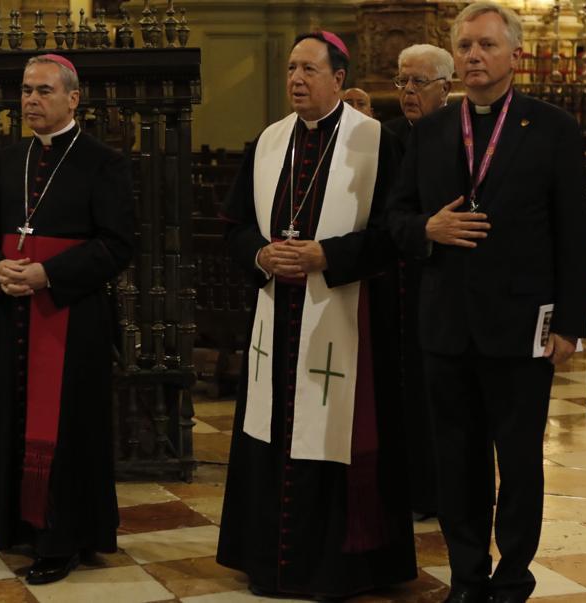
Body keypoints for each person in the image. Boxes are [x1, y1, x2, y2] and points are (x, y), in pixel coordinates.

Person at [387, 4, 586, 602]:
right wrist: (428, 228)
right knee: (458, 463)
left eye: (486, 45)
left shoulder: (553, 128)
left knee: (520, 464)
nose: (475, 55)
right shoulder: (429, 132)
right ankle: (468, 575)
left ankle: (514, 577)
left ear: (514, 54)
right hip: (446, 326)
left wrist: (571, 325)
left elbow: (573, 234)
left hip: (522, 325)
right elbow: (395, 219)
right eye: (466, 45)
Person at [216, 31, 417, 600]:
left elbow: (396, 237)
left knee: (333, 436)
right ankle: (269, 565)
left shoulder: (378, 143)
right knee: (274, 428)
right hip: (275, 322)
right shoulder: (267, 142)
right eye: (290, 70)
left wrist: (327, 255)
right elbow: (232, 229)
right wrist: (261, 253)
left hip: (348, 321)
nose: (296, 80)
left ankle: (338, 568)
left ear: (337, 77)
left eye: (309, 70)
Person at [0, 54, 134, 585]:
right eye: (25, 91)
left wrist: (48, 274)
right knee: (15, 421)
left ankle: (63, 539)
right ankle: (20, 529)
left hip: (71, 317)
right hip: (13, 312)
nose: (31, 101)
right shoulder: (8, 156)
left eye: (43, 91)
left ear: (72, 97)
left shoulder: (102, 162)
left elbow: (117, 245)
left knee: (67, 431)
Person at [383, 43, 455, 521]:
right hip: (389, 278)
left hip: (440, 282)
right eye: (402, 82)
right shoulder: (384, 137)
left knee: (437, 396)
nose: (407, 91)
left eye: (418, 83)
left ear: (445, 89)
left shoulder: (459, 137)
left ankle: (436, 492)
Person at [383, 44, 454, 146]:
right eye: (403, 80)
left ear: (445, 89)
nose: (408, 88)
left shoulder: (464, 133)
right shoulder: (387, 135)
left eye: (419, 81)